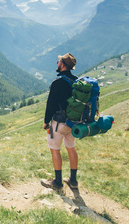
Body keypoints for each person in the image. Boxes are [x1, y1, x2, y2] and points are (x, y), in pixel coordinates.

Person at [41, 53, 79, 190]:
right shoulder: (75, 81)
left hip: (58, 123)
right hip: (73, 123)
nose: (57, 63)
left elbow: (50, 104)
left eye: (58, 61)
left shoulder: (57, 83)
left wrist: (46, 122)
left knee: (55, 150)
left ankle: (57, 182)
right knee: (71, 149)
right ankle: (73, 180)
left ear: (63, 65)